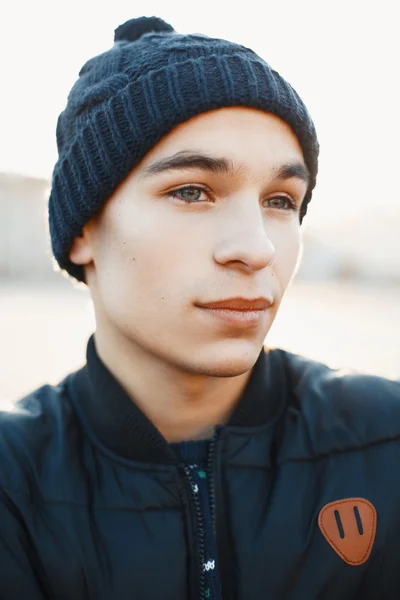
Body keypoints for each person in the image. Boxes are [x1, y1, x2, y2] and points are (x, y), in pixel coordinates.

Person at [0, 15, 399, 600]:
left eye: (282, 200)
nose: (256, 248)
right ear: (83, 229)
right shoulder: (13, 484)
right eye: (192, 191)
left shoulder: (384, 440)